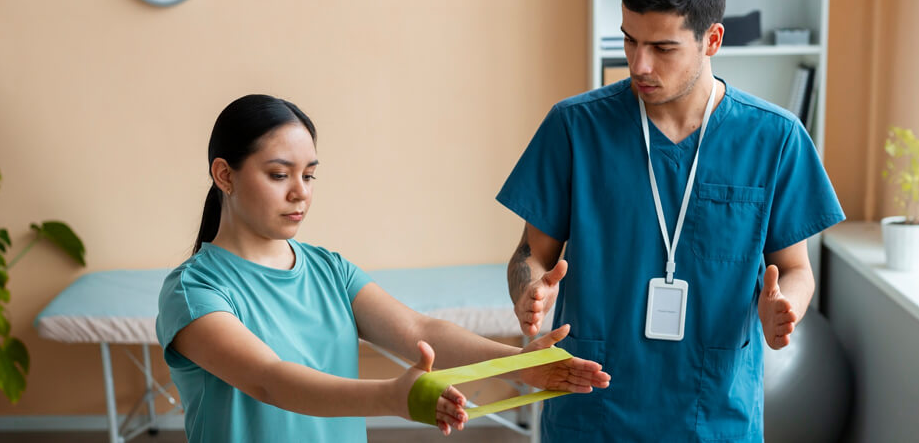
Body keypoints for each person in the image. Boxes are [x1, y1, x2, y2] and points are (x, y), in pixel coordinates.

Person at [496, 0, 845, 441]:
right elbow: (530, 254)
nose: (639, 64)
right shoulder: (574, 129)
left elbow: (794, 270)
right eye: (629, 40)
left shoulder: (775, 138)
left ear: (712, 40)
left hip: (713, 417)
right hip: (593, 416)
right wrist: (528, 288)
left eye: (662, 48)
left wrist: (782, 308)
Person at [155, 95, 610, 443]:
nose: (300, 192)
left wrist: (520, 365)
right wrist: (392, 396)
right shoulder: (194, 291)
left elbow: (418, 328)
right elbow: (269, 380)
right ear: (224, 175)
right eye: (279, 175)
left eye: (309, 175)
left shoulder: (328, 269)